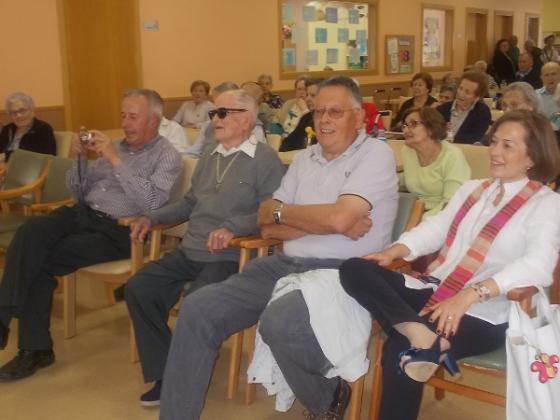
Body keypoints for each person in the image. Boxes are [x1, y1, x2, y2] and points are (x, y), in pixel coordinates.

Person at [159, 76, 399, 420]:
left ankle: (327, 396)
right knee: (198, 309)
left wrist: (300, 217)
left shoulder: (375, 154)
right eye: (318, 111)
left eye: (335, 112)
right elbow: (266, 221)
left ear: (359, 118)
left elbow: (338, 219)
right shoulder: (305, 159)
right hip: (285, 265)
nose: (324, 120)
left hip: (345, 272)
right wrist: (324, 219)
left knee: (281, 321)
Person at [339, 109, 560, 420]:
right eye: (494, 142)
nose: (495, 151)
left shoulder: (546, 204)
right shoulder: (474, 190)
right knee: (354, 269)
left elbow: (538, 264)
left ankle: (418, 340)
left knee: (401, 352)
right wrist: (395, 251)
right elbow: (437, 228)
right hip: (438, 288)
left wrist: (471, 294)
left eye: (507, 146)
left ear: (532, 157)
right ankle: (419, 332)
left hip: (487, 311)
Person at [0, 89, 183, 381]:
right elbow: (78, 192)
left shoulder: (167, 156)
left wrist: (116, 161)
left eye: (133, 117)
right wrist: (79, 159)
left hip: (120, 230)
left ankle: (32, 348)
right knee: (31, 231)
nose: (125, 123)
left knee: (40, 258)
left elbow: (152, 203)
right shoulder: (117, 146)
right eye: (123, 115)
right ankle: (9, 320)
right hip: (82, 213)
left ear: (154, 120)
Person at [124, 89, 285, 406]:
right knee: (139, 288)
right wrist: (151, 217)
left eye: (222, 113)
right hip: (189, 251)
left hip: (230, 256)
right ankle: (166, 371)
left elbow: (273, 211)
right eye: (213, 113)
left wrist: (233, 227)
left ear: (246, 119)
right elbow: (189, 203)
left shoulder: (265, 159)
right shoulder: (211, 154)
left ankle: (180, 383)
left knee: (195, 304)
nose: (215, 120)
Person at [399, 107, 470, 220]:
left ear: (431, 127)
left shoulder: (452, 156)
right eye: (405, 125)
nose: (406, 130)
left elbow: (452, 203)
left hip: (442, 217)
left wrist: (421, 220)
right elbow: (409, 178)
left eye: (413, 124)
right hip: (413, 211)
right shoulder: (408, 151)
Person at [436, 71, 492, 144]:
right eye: (460, 88)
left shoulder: (482, 112)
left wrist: (450, 137)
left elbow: (475, 138)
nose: (461, 94)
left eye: (467, 92)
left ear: (477, 97)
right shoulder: (442, 109)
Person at [0, 92, 56, 161]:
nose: (18, 115)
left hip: (29, 166)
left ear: (32, 110)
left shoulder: (43, 128)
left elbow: (48, 156)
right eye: (14, 112)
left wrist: (6, 156)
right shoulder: (7, 129)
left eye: (22, 110)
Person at [279, 78, 322, 152]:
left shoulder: (331, 120)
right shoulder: (306, 118)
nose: (308, 99)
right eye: (307, 95)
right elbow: (288, 142)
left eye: (313, 95)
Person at [536, 62, 560, 130]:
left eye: (553, 74)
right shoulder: (534, 96)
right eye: (546, 75)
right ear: (541, 78)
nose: (550, 78)